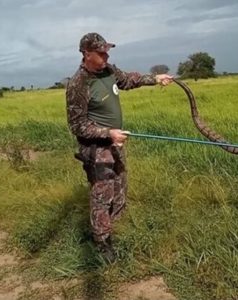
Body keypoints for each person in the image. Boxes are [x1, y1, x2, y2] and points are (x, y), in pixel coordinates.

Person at [66, 32, 173, 263]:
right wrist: (107, 133)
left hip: (115, 143)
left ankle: (117, 227)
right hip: (96, 148)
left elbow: (128, 80)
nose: (106, 55)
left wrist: (155, 79)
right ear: (87, 54)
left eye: (107, 50)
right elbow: (77, 125)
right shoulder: (78, 84)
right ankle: (102, 241)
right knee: (102, 194)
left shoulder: (109, 71)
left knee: (120, 186)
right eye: (101, 52)